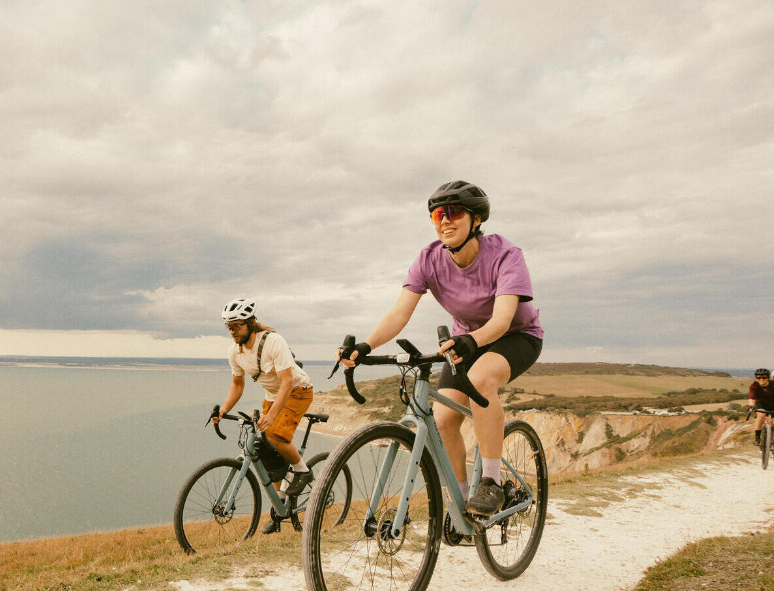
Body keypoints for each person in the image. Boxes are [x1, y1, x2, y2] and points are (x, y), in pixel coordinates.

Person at [338, 180, 543, 517]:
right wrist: (366, 344)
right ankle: (461, 504)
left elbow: (503, 319)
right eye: (437, 215)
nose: (444, 220)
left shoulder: (507, 255)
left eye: (454, 212)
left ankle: (490, 483)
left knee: (480, 379)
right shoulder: (428, 259)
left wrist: (473, 340)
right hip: (465, 341)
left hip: (515, 336)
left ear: (476, 220)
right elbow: (400, 312)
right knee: (444, 418)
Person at [214, 298, 315, 534]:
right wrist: (224, 410)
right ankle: (280, 507)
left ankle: (302, 471)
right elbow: (237, 386)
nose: (232, 331)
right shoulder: (235, 352)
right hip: (273, 394)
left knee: (276, 436)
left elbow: (288, 382)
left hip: (297, 391)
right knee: (268, 452)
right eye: (228, 327)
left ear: (250, 323)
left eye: (236, 325)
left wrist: (272, 416)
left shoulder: (272, 342)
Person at [747, 368, 774, 452]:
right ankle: (757, 438)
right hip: (761, 403)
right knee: (760, 417)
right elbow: (751, 398)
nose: (761, 379)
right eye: (759, 378)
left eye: (764, 377)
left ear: (768, 378)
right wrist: (751, 406)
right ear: (756, 378)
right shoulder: (754, 385)